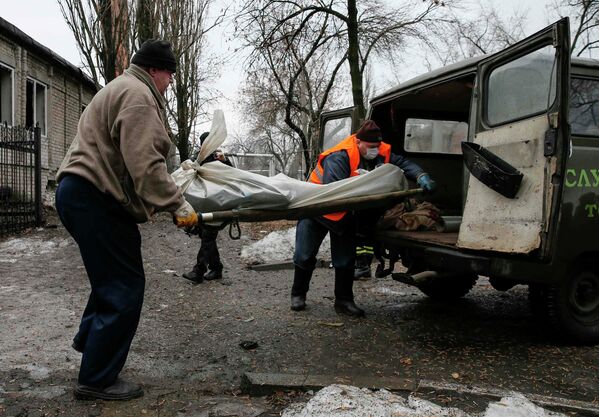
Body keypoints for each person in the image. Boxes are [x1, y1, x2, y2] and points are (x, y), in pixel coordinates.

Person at [55, 39, 198, 401]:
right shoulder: (139, 95)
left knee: (112, 276)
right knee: (124, 286)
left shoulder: (120, 87)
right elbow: (145, 165)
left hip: (80, 193)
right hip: (95, 198)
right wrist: (177, 205)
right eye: (169, 73)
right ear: (155, 69)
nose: (170, 81)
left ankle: (91, 343)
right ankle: (97, 379)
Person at [291, 120, 436, 317]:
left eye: (377, 146)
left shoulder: (381, 152)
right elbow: (336, 191)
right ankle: (298, 294)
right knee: (305, 254)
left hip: (346, 212)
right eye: (371, 147)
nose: (375, 150)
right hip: (316, 208)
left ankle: (344, 301)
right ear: (358, 142)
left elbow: (402, 163)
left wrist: (421, 175)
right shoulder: (340, 156)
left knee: (344, 260)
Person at [183, 132, 233, 283]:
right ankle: (216, 268)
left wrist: (225, 161)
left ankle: (199, 271)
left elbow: (232, 174)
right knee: (207, 236)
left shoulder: (218, 157)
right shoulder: (198, 157)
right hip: (203, 203)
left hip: (217, 202)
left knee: (208, 236)